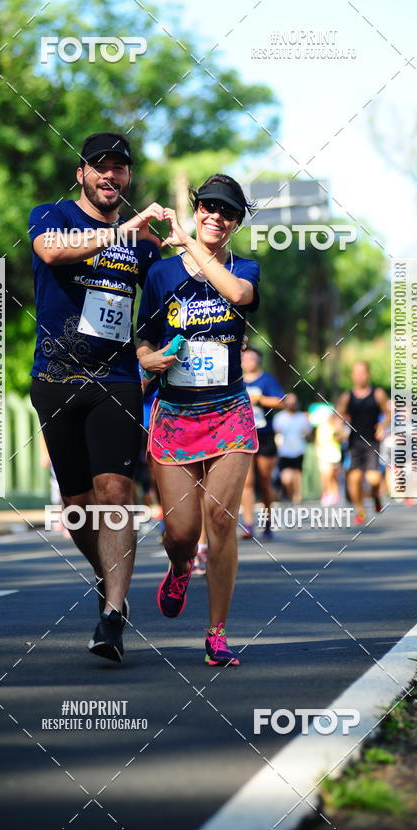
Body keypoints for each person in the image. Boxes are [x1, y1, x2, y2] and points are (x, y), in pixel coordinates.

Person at [29, 131, 162, 663]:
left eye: (120, 168)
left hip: (117, 381)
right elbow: (51, 253)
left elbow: (164, 305)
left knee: (115, 494)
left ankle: (112, 612)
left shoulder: (145, 247)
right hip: (57, 379)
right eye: (100, 167)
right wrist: (122, 233)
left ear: (128, 178)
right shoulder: (51, 215)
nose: (111, 176)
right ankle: (109, 581)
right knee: (78, 507)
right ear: (82, 173)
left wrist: (155, 354)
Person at [136, 173, 259, 667]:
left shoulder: (245, 267)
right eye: (207, 206)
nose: (215, 216)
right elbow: (141, 338)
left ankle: (217, 634)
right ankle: (180, 565)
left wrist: (188, 239)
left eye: (226, 212)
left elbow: (237, 294)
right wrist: (147, 359)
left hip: (230, 411)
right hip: (175, 415)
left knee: (221, 521)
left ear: (235, 223)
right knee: (183, 530)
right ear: (196, 206)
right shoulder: (162, 275)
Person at [337, 361, 389, 524]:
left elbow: (388, 414)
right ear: (353, 376)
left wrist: (382, 426)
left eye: (362, 372)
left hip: (372, 441)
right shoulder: (347, 396)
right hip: (354, 442)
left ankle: (375, 496)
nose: (359, 376)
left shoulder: (377, 393)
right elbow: (340, 415)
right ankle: (360, 511)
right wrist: (340, 429)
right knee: (354, 478)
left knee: (373, 479)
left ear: (368, 375)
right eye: (356, 373)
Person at [241, 348, 285, 540]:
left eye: (252, 357)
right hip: (242, 436)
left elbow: (280, 401)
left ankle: (267, 522)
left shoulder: (267, 379)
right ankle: (249, 524)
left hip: (264, 435)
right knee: (247, 482)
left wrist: (259, 400)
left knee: (265, 481)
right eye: (245, 357)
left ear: (258, 360)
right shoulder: (235, 380)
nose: (249, 360)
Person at [273, 393, 312, 503]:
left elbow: (308, 433)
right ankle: (290, 494)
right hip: (284, 451)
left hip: (299, 450)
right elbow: (276, 433)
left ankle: (297, 496)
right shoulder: (279, 417)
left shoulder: (302, 417)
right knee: (286, 478)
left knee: (297, 474)